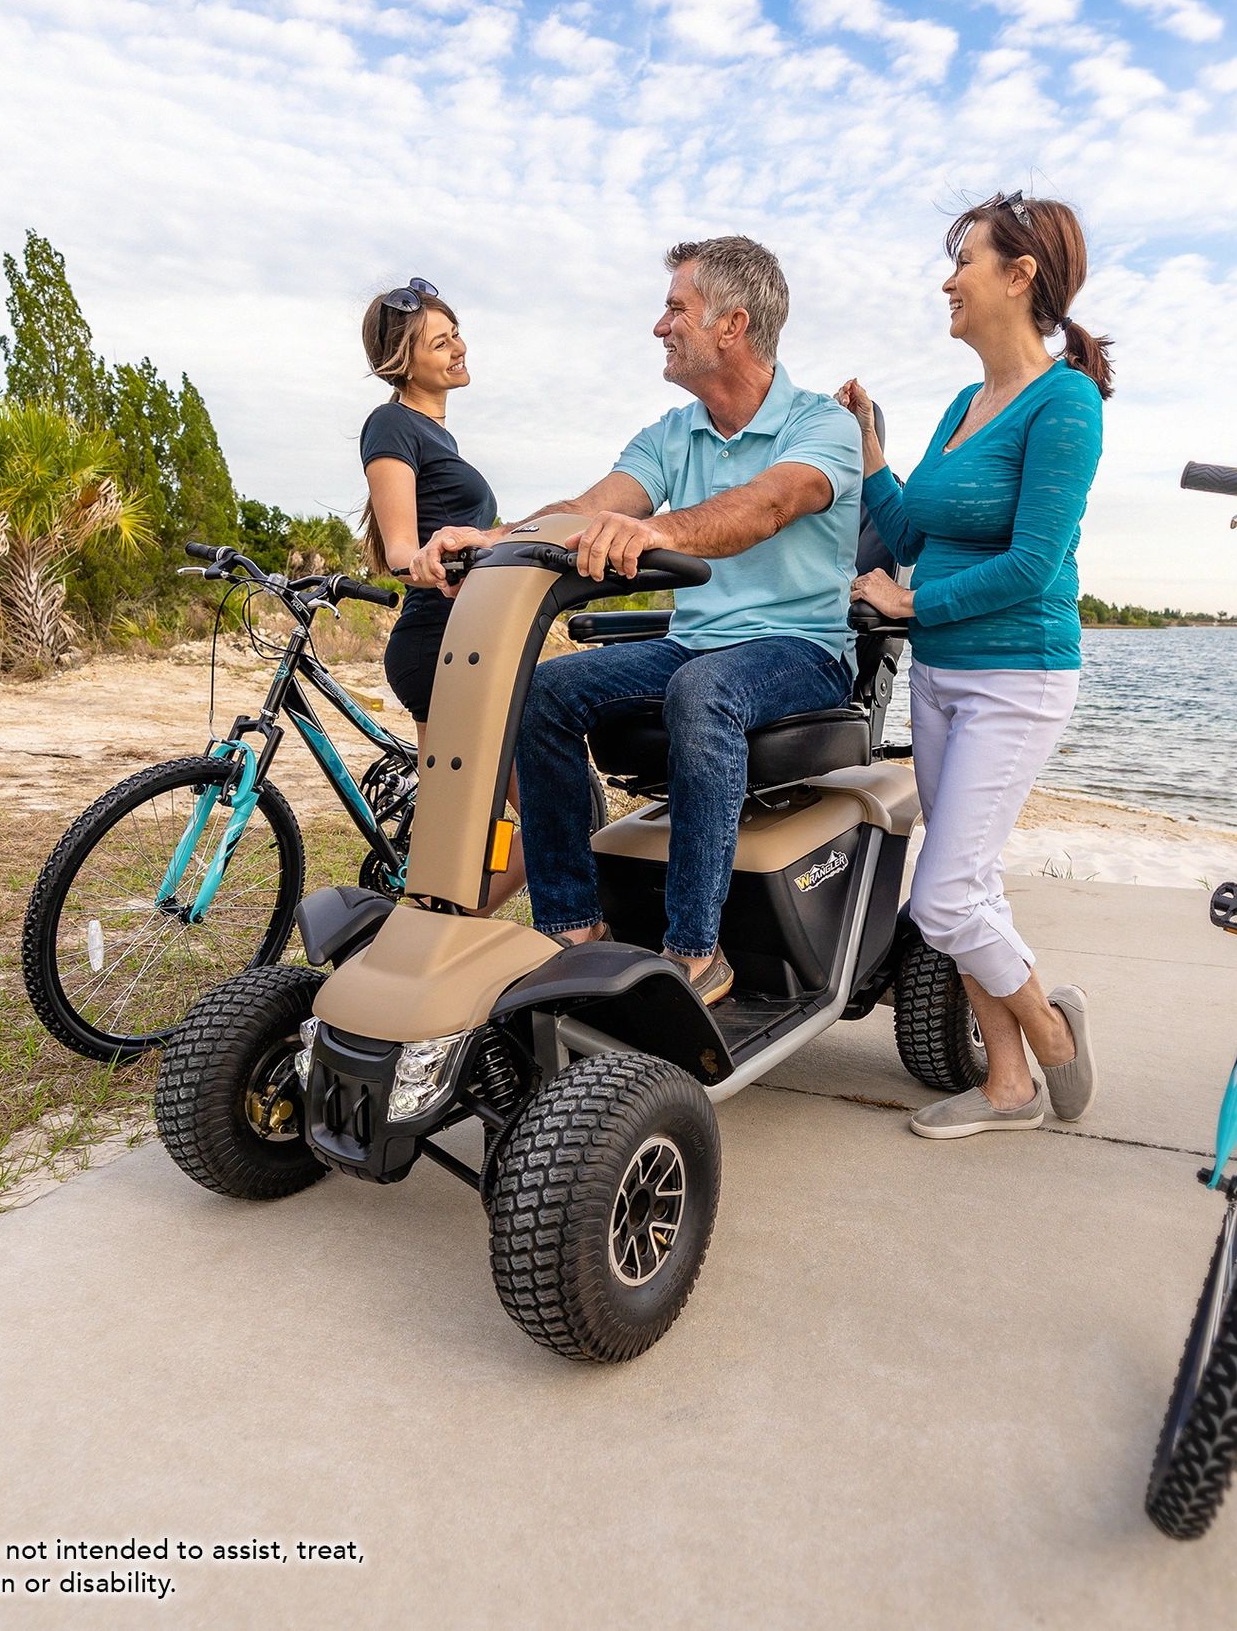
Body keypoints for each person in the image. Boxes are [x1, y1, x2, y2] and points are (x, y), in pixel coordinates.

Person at [413, 237, 862, 1005]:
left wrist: (662, 532)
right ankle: (573, 929)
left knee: (703, 689)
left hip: (801, 651)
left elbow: (769, 505)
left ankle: (695, 951)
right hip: (696, 645)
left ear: (732, 325)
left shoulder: (823, 426)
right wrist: (491, 539)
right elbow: (590, 508)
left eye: (675, 308)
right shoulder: (671, 434)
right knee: (545, 691)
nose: (660, 325)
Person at [834, 191, 1106, 1137]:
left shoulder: (1065, 402)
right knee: (971, 884)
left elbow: (1034, 562)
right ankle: (1008, 1086)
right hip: (942, 675)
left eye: (966, 261)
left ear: (1019, 276)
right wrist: (873, 452)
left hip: (1018, 675)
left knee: (944, 894)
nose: (950, 280)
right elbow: (909, 527)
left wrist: (912, 604)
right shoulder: (964, 402)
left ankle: (1051, 1035)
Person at [356, 277, 523, 908]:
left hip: (463, 640)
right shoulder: (391, 425)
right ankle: (445, 934)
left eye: (456, 335)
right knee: (550, 807)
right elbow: (400, 548)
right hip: (440, 646)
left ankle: (434, 925)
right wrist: (422, 562)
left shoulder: (436, 437)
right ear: (402, 362)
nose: (458, 348)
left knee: (456, 827)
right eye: (440, 342)